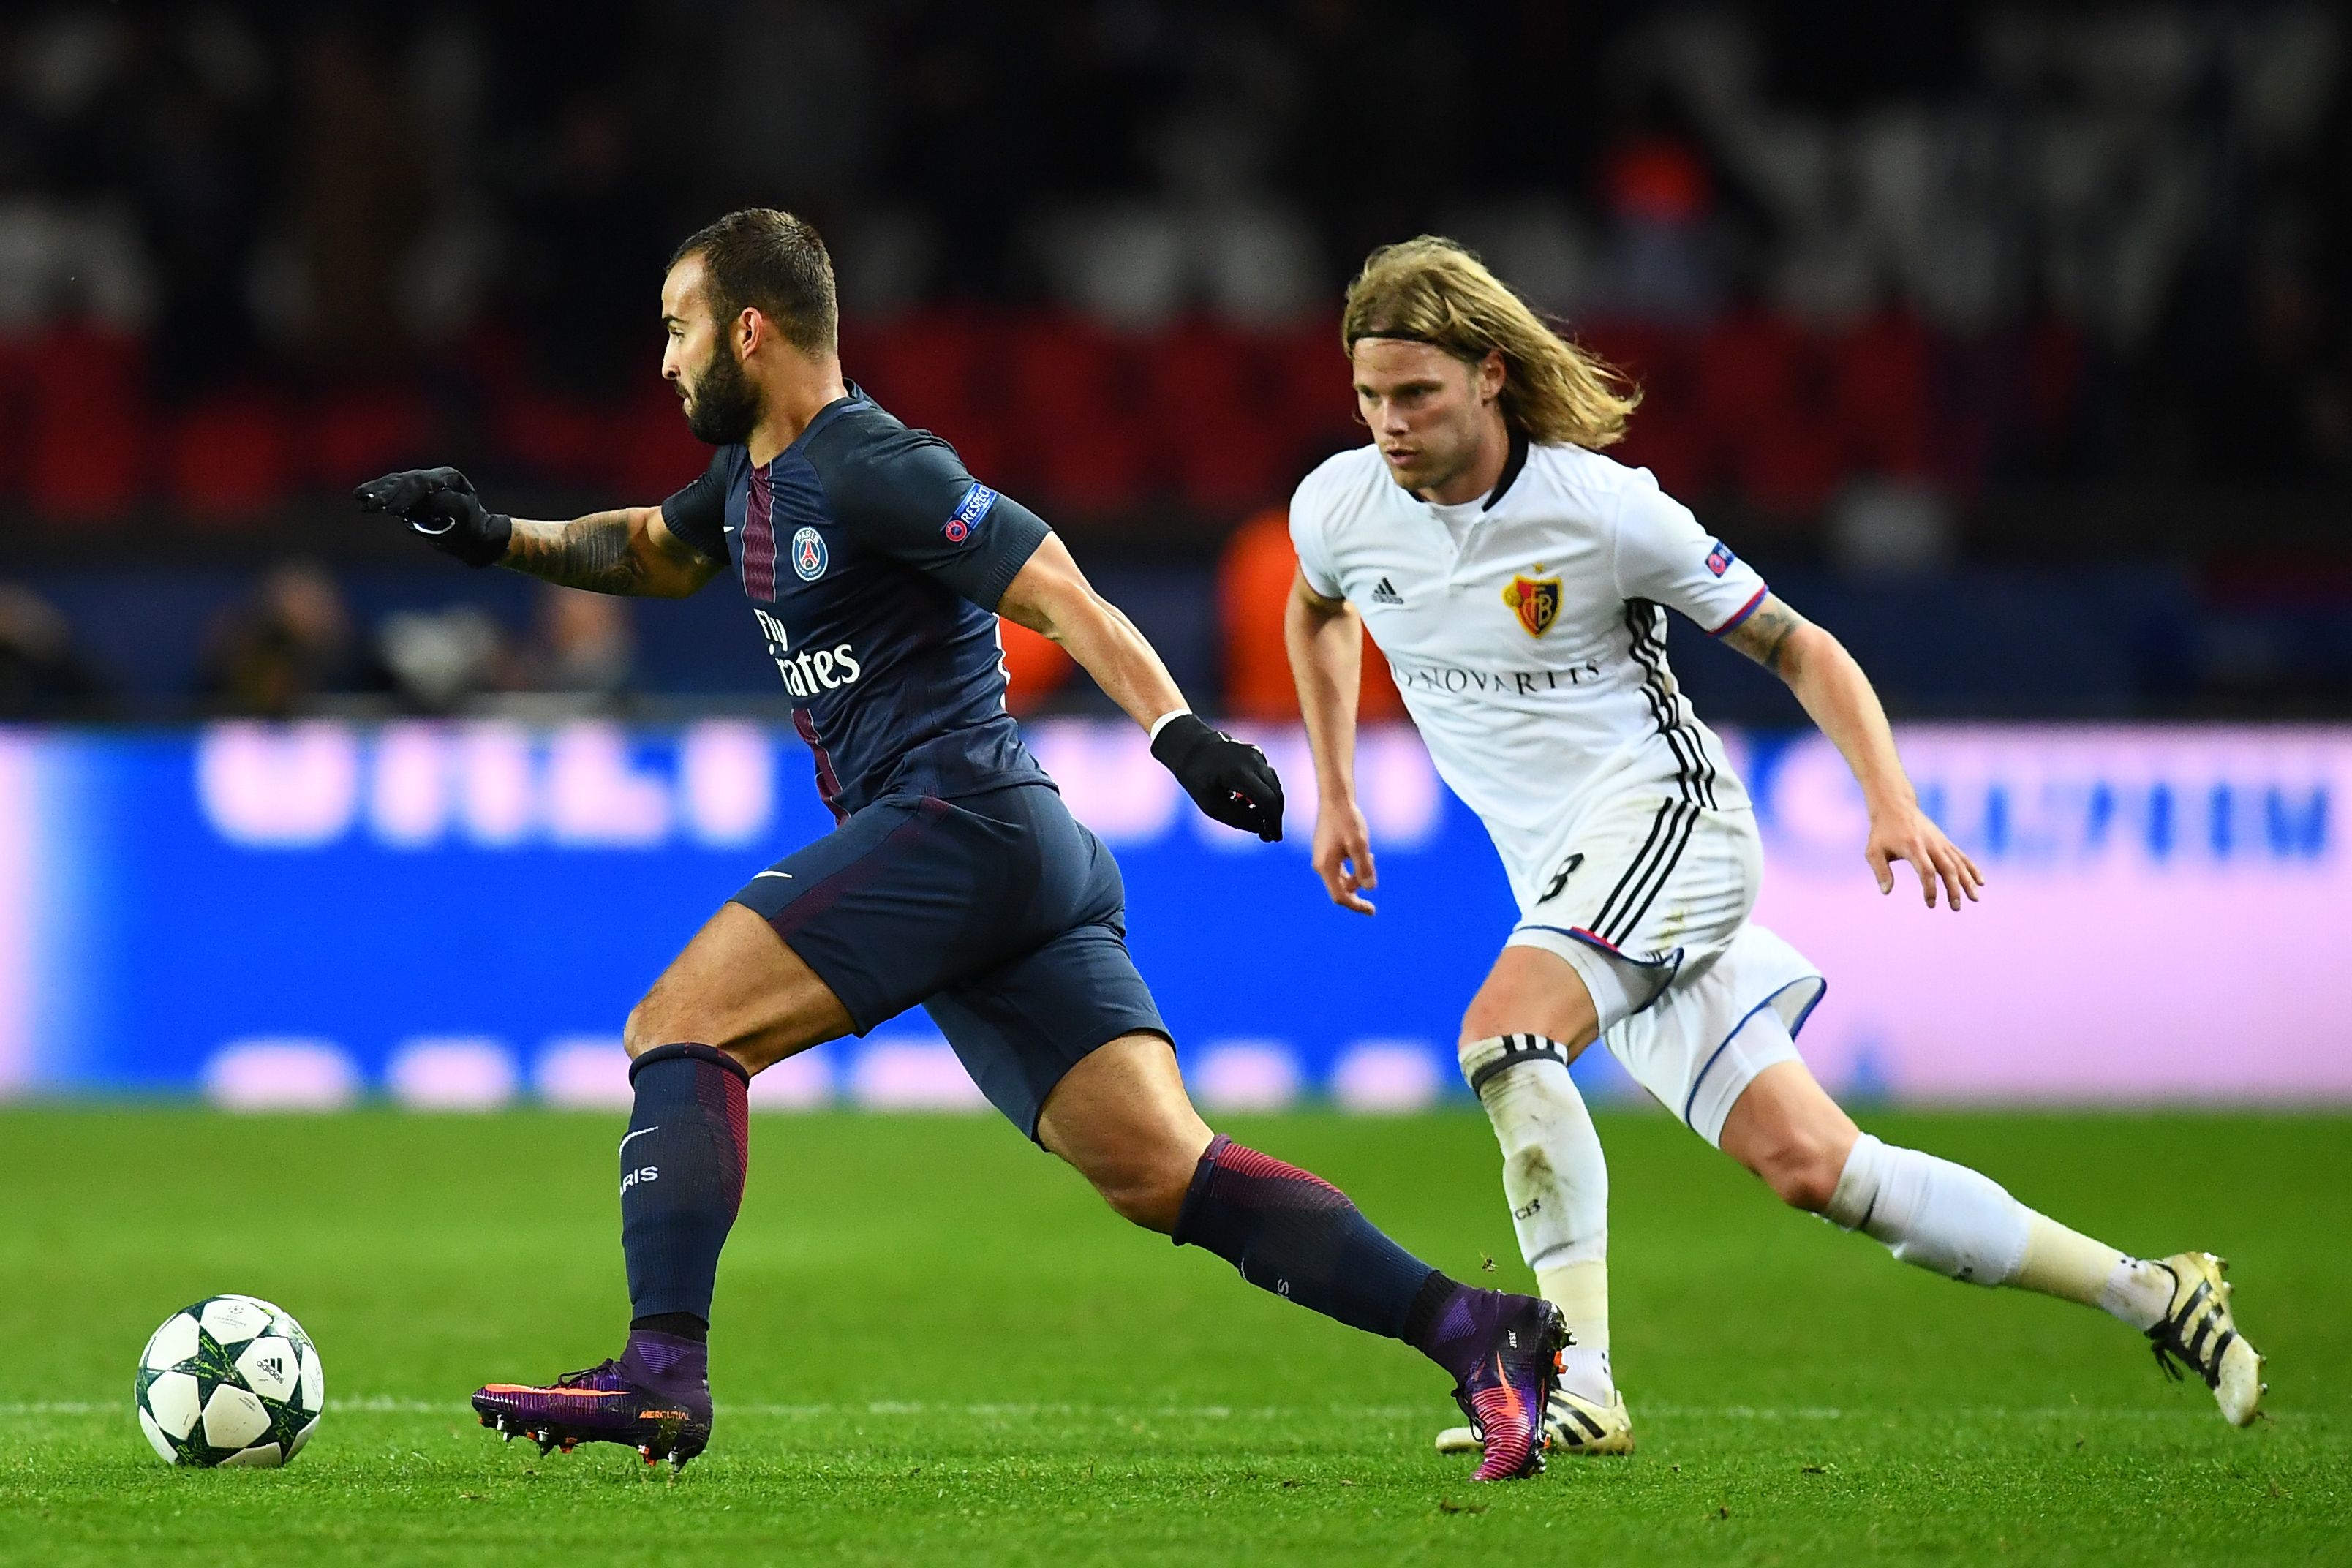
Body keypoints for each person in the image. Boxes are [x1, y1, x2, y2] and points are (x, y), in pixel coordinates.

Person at [351, 210, 1566, 1481]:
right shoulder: (749, 478)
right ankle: (1476, 1327)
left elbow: (1055, 589)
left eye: (679, 328)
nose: (664, 361)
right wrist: (495, 538)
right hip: (1004, 856)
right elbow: (654, 552)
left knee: (679, 1027)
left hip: (957, 825)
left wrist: (1178, 735)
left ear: (749, 331)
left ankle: (662, 1367)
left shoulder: (872, 462)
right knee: (1167, 1172)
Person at [1281, 237, 2265, 1463]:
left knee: (1504, 1039)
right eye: (1370, 395)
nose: (1389, 422)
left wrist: (1888, 799)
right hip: (1571, 884)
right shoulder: (1338, 506)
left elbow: (1801, 645)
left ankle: (1578, 1380)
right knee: (1817, 1168)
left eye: (1415, 393)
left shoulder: (1602, 511)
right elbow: (1315, 610)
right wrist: (1336, 787)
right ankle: (2155, 1292)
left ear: (1488, 375)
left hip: (1667, 826)